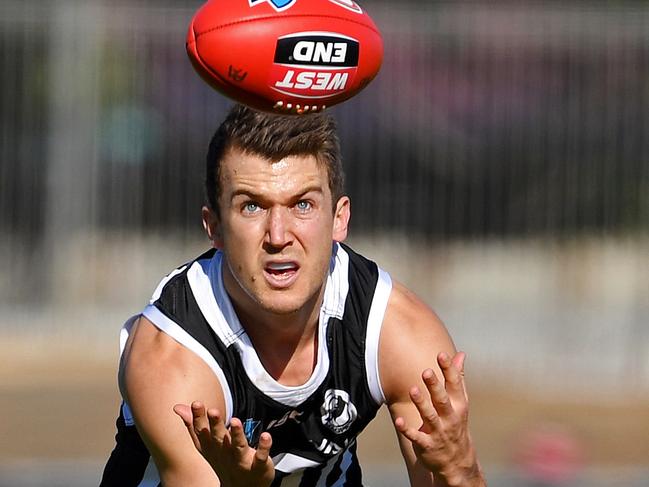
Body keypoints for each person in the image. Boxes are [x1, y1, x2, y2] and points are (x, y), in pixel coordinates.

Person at [100, 104, 486, 487]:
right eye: (252, 206)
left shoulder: (396, 329)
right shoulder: (173, 356)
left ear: (339, 218)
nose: (279, 236)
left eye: (302, 205)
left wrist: (461, 470)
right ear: (214, 227)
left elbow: (451, 476)